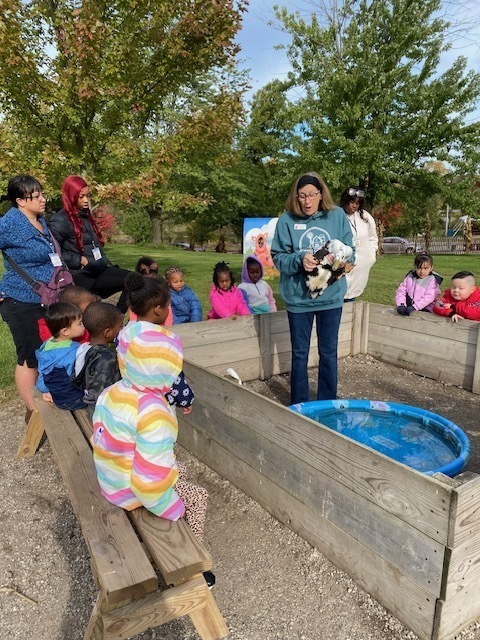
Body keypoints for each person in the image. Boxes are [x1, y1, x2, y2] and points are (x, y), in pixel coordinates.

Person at [92, 272, 210, 551]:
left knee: (177, 467)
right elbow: (148, 485)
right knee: (196, 497)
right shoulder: (153, 414)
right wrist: (173, 509)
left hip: (111, 478)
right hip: (131, 493)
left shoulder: (113, 392)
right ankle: (191, 558)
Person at [271, 172, 355, 404]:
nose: (307, 201)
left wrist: (343, 263)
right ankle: (300, 404)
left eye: (312, 195)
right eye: (301, 196)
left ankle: (327, 402)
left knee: (328, 353)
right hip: (299, 300)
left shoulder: (337, 216)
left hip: (331, 298)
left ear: (321, 195)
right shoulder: (286, 221)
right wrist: (299, 259)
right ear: (295, 197)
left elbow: (350, 251)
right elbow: (278, 257)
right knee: (300, 354)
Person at [0, 175, 57, 420]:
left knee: (44, 349)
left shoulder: (42, 221)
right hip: (19, 300)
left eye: (42, 194)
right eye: (37, 196)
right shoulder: (9, 224)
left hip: (46, 298)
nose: (43, 200)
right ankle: (33, 412)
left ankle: (44, 399)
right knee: (29, 356)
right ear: (21, 201)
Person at [49, 176, 130, 312]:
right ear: (71, 196)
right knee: (89, 315)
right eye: (81, 197)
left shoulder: (85, 215)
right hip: (80, 275)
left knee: (135, 280)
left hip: (98, 269)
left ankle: (118, 315)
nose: (86, 200)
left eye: (87, 195)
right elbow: (52, 252)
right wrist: (80, 260)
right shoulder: (60, 221)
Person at [72, 302, 124, 419]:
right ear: (107, 333)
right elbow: (103, 393)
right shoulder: (107, 358)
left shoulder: (84, 348)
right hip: (103, 414)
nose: (122, 329)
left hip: (90, 405)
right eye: (120, 326)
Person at [36, 302, 87, 410]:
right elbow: (80, 379)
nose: (83, 326)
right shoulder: (73, 350)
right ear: (65, 331)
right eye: (80, 323)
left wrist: (46, 391)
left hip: (58, 397)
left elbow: (42, 372)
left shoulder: (47, 345)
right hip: (74, 400)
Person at [339, 187, 378, 301]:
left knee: (353, 293)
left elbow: (372, 237)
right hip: (343, 260)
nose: (354, 206)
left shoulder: (365, 216)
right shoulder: (337, 216)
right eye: (352, 202)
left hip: (362, 261)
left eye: (357, 203)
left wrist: (371, 254)